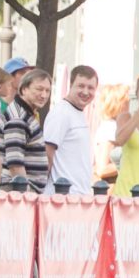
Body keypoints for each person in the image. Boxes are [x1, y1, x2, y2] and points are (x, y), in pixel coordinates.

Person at [43, 65, 98, 195]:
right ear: (70, 85)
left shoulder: (77, 113)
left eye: (90, 87)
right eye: (81, 86)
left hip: (78, 197)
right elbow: (47, 155)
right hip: (63, 198)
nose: (85, 92)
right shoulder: (62, 113)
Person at [0, 68, 53, 192]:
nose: (44, 95)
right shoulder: (18, 118)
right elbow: (15, 164)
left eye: (47, 91)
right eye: (39, 89)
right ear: (24, 89)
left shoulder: (25, 114)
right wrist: (25, 196)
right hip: (18, 193)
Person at [94, 84, 130, 184]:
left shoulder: (113, 126)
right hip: (110, 190)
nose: (129, 104)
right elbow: (102, 169)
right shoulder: (109, 128)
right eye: (126, 101)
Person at [113, 74, 139, 197]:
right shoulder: (125, 117)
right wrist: (138, 115)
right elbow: (119, 140)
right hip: (126, 193)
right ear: (137, 92)